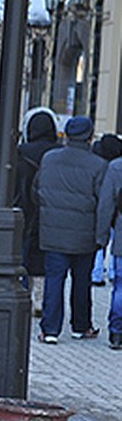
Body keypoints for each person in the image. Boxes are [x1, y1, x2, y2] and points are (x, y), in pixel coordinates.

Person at [34, 115, 106, 343]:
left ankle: (50, 329)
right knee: (82, 280)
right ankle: (80, 325)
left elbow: (37, 190)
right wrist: (101, 235)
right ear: (89, 136)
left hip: (53, 231)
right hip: (85, 233)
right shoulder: (98, 165)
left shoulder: (50, 159)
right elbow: (103, 202)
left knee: (54, 279)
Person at [16, 108, 61, 318]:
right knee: (45, 258)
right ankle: (41, 298)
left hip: (25, 210)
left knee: (24, 254)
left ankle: (24, 294)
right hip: (52, 212)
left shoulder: (21, 152)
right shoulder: (59, 152)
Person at [96, 145, 122, 349]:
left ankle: (116, 332)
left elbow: (106, 205)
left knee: (120, 287)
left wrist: (102, 236)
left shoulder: (116, 167)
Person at [91, 134, 122, 286]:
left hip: (105, 208)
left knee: (101, 243)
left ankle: (97, 273)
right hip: (117, 213)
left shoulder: (106, 166)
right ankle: (111, 271)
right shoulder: (115, 166)